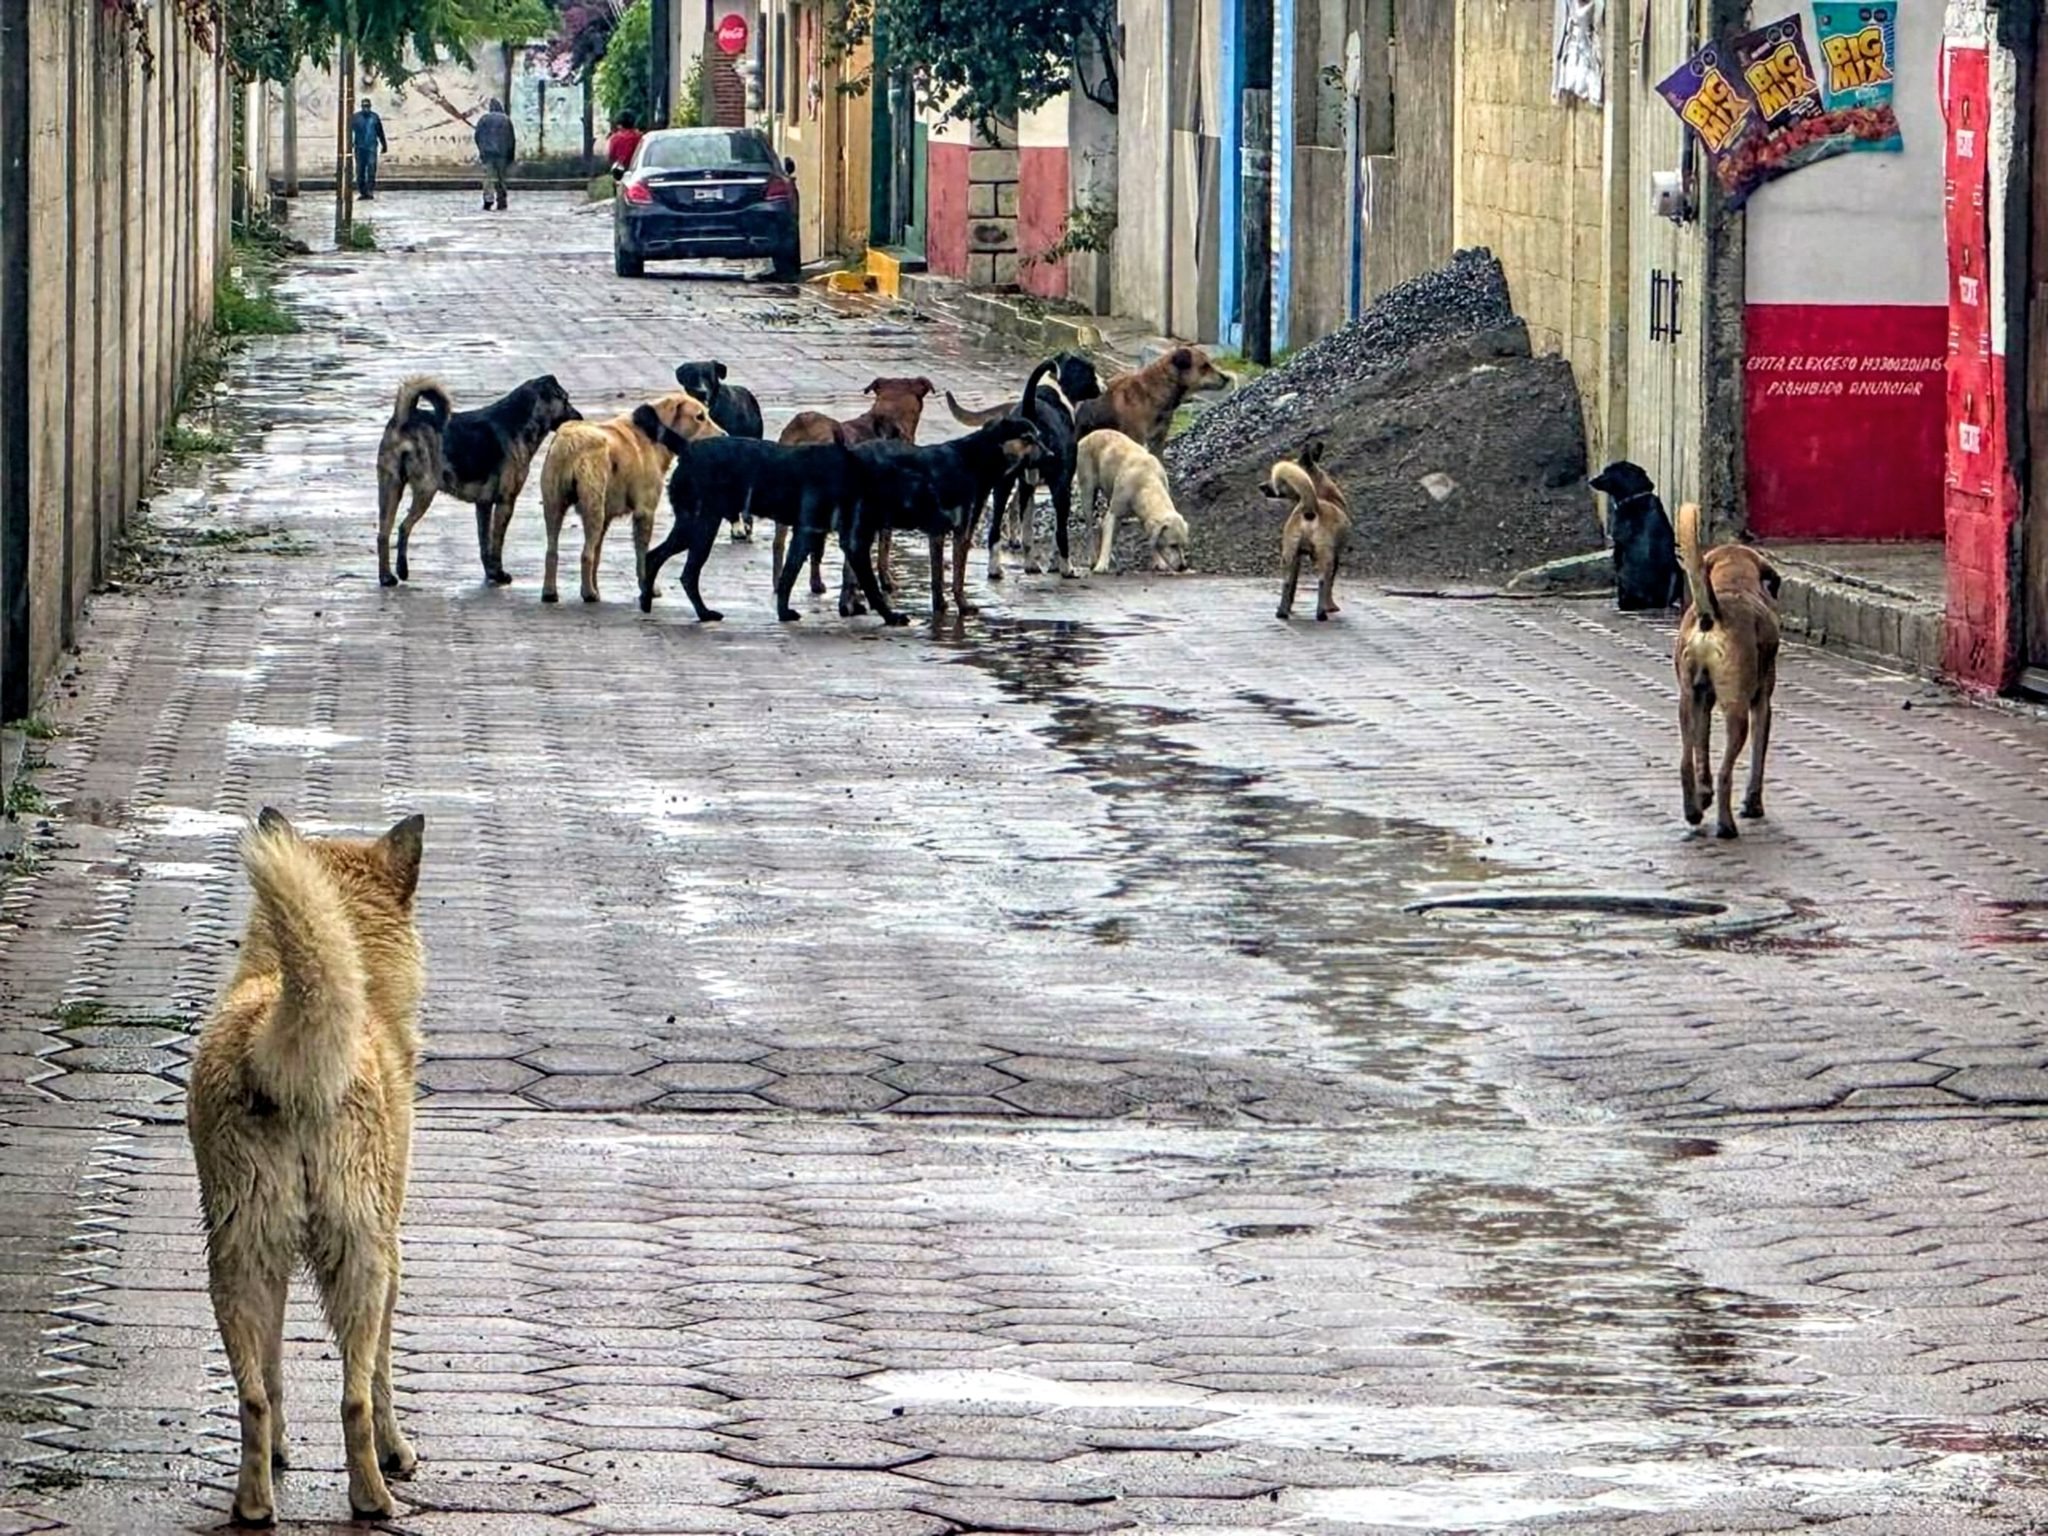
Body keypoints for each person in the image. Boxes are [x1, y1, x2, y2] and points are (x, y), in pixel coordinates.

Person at [474, 97, 516, 211]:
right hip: (502, 153)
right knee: (501, 177)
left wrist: (481, 149)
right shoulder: (506, 119)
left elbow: (477, 136)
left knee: (489, 177)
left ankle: (488, 200)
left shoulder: (483, 119)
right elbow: (511, 139)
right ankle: (502, 200)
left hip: (487, 153)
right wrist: (511, 156)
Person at [351, 98, 388, 200]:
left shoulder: (374, 117)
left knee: (371, 169)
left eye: (367, 106)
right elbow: (349, 132)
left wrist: (384, 145)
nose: (366, 109)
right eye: (364, 106)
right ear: (362, 107)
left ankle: (370, 190)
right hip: (359, 147)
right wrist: (349, 146)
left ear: (370, 107)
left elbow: (380, 132)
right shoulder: (356, 118)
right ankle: (363, 192)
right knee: (360, 171)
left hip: (371, 147)